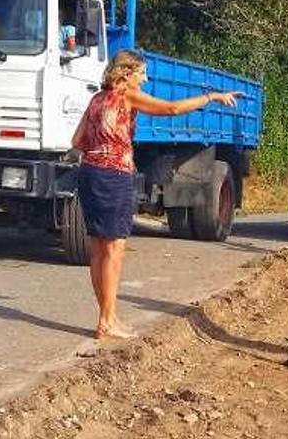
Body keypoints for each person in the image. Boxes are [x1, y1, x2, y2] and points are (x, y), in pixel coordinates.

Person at [71, 50, 240, 339]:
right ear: (126, 74)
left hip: (90, 174)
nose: (146, 79)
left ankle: (107, 316)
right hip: (115, 175)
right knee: (115, 249)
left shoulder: (96, 100)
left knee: (99, 247)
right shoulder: (125, 96)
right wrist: (212, 97)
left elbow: (77, 140)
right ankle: (107, 320)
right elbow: (172, 109)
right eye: (142, 73)